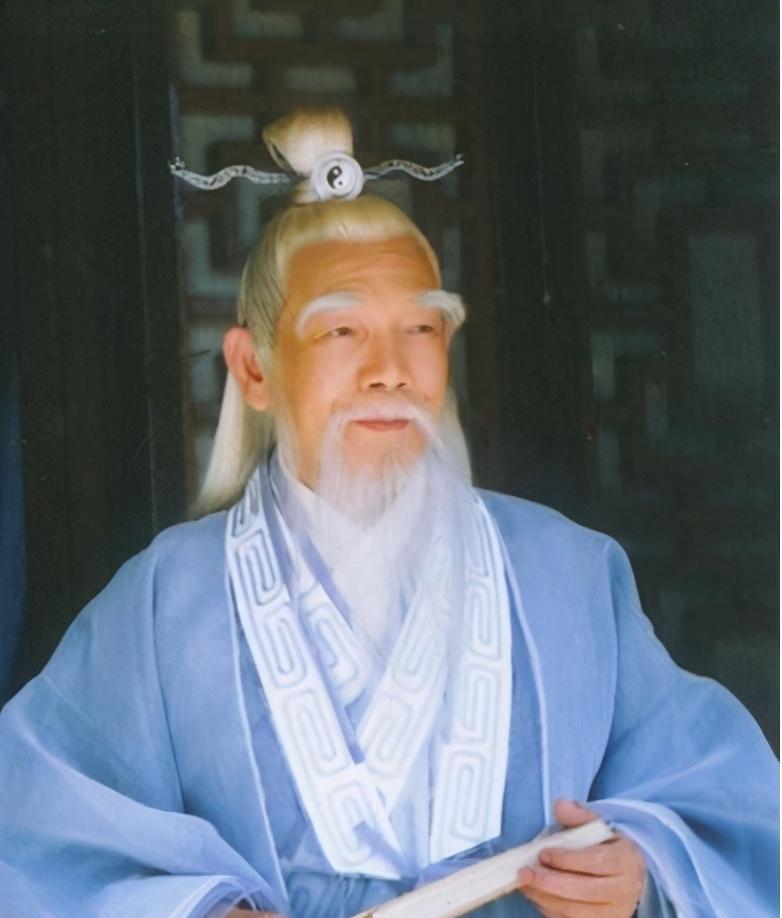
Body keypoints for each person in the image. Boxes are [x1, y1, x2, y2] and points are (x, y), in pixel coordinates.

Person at [0, 108, 777, 918]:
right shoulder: (169, 598)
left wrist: (643, 871)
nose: (390, 371)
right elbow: (35, 832)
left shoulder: (568, 571)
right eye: (342, 329)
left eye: (420, 328)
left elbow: (725, 802)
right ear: (254, 368)